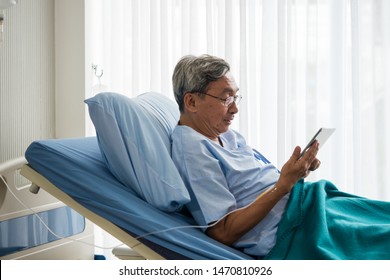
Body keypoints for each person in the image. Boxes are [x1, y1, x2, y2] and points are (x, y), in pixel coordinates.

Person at [170, 54, 390, 259]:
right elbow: (223, 232)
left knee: (382, 216)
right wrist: (283, 185)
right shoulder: (192, 150)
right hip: (295, 228)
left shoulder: (226, 135)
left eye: (236, 97)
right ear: (191, 102)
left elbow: (260, 181)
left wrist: (296, 172)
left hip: (306, 201)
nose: (235, 109)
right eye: (226, 99)